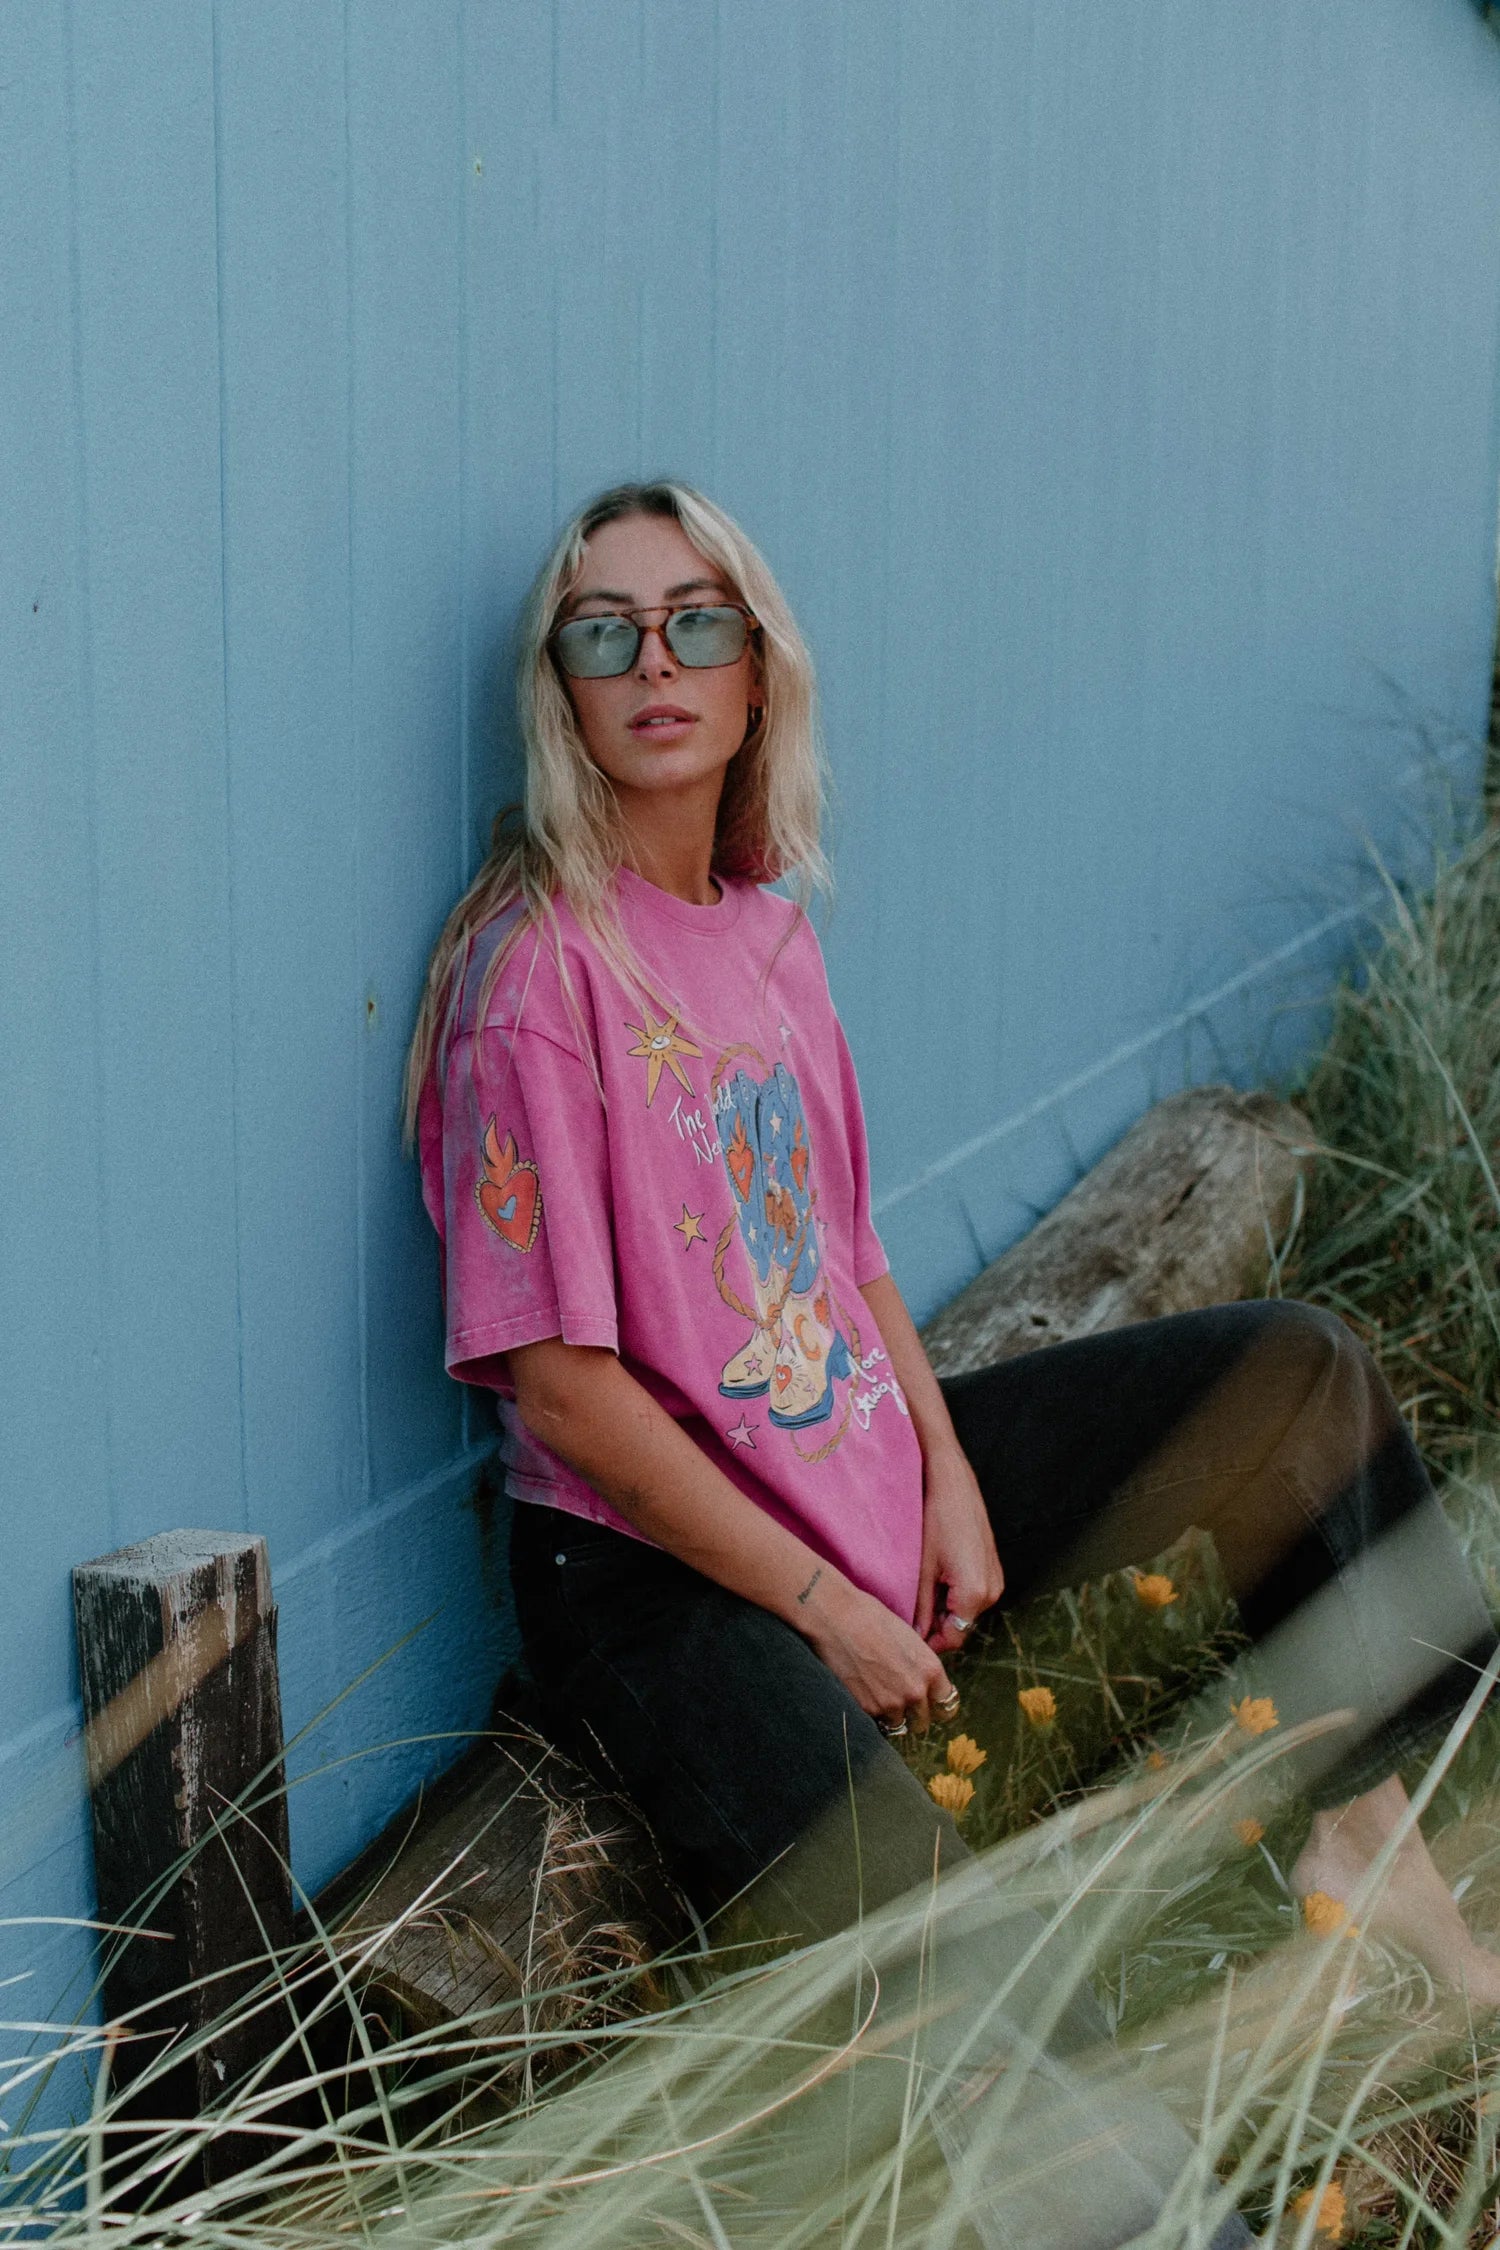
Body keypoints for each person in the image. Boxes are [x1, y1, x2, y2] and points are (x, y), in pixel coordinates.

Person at [406, 480, 1500, 2243]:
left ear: (757, 673)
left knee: (1295, 1380)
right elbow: (567, 1393)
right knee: (968, 1971)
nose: (656, 661)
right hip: (651, 1573)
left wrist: (947, 1472)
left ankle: (1377, 1839)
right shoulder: (538, 983)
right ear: (564, 693)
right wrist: (828, 1610)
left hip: (835, 1473)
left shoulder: (766, 931)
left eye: (697, 621)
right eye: (605, 633)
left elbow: (845, 1251)